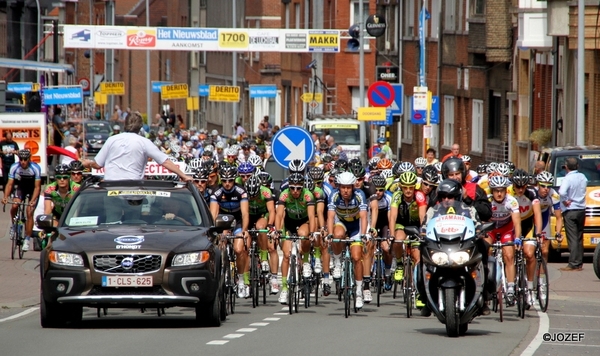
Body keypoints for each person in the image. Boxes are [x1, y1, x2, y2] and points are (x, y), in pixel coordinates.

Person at [81, 113, 191, 182]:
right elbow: (165, 161)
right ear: (140, 128)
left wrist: (88, 163)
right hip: (133, 188)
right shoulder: (144, 142)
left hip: (111, 187)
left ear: (124, 125)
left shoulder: (111, 140)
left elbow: (97, 164)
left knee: (112, 219)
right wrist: (183, 175)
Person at [327, 172, 369, 309]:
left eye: (348, 187)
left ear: (353, 187)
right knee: (336, 235)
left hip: (356, 226)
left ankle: (358, 292)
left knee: (357, 257)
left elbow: (363, 217)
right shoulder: (333, 195)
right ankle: (338, 262)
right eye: (343, 187)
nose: (345, 190)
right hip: (342, 223)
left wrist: (363, 235)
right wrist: (329, 234)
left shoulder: (359, 195)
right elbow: (331, 217)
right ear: (338, 187)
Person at [1, 150, 42, 251]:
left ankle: (27, 239)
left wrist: (32, 200)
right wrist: (5, 196)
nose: (23, 161)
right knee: (14, 206)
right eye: (21, 159)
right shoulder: (14, 167)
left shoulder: (35, 168)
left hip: (33, 189)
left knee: (29, 212)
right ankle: (14, 225)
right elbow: (10, 184)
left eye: (25, 159)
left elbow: (37, 187)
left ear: (29, 159)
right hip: (21, 188)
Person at [558, 157, 587, 271]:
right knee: (579, 237)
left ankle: (573, 263)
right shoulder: (582, 177)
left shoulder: (567, 178)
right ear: (577, 166)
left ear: (566, 167)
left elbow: (562, 192)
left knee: (573, 238)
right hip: (581, 209)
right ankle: (579, 262)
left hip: (571, 209)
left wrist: (565, 199)